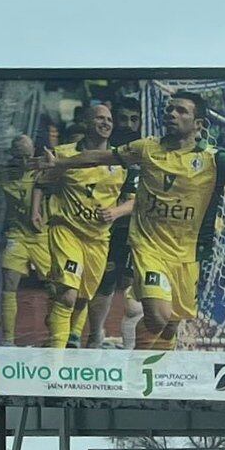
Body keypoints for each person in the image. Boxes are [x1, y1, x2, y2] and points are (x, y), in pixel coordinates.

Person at [36, 91, 225, 350]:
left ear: (199, 124)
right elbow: (100, 157)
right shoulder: (146, 148)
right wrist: (60, 162)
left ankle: (150, 373)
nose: (171, 114)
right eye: (170, 109)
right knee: (157, 314)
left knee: (172, 324)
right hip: (148, 248)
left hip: (188, 254)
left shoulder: (213, 159)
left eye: (181, 111)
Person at [33, 104, 134, 348]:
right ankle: (56, 362)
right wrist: (36, 210)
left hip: (98, 239)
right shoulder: (63, 153)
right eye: (100, 118)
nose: (106, 123)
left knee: (80, 299)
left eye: (109, 119)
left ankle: (69, 339)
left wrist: (115, 212)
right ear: (87, 123)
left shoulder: (120, 161)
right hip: (67, 231)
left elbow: (133, 199)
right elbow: (41, 182)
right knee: (68, 294)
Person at [88, 97, 144, 348]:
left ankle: (131, 352)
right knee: (103, 285)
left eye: (134, 119)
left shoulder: (145, 151)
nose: (129, 124)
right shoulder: (105, 149)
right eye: (123, 119)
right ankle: (95, 336)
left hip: (137, 229)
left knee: (133, 292)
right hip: (102, 228)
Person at [0, 134, 51, 346]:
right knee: (9, 283)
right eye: (18, 157)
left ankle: (53, 336)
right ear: (12, 155)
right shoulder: (3, 175)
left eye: (27, 157)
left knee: (56, 289)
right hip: (17, 235)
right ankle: (8, 341)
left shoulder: (43, 171)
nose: (23, 162)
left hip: (42, 236)